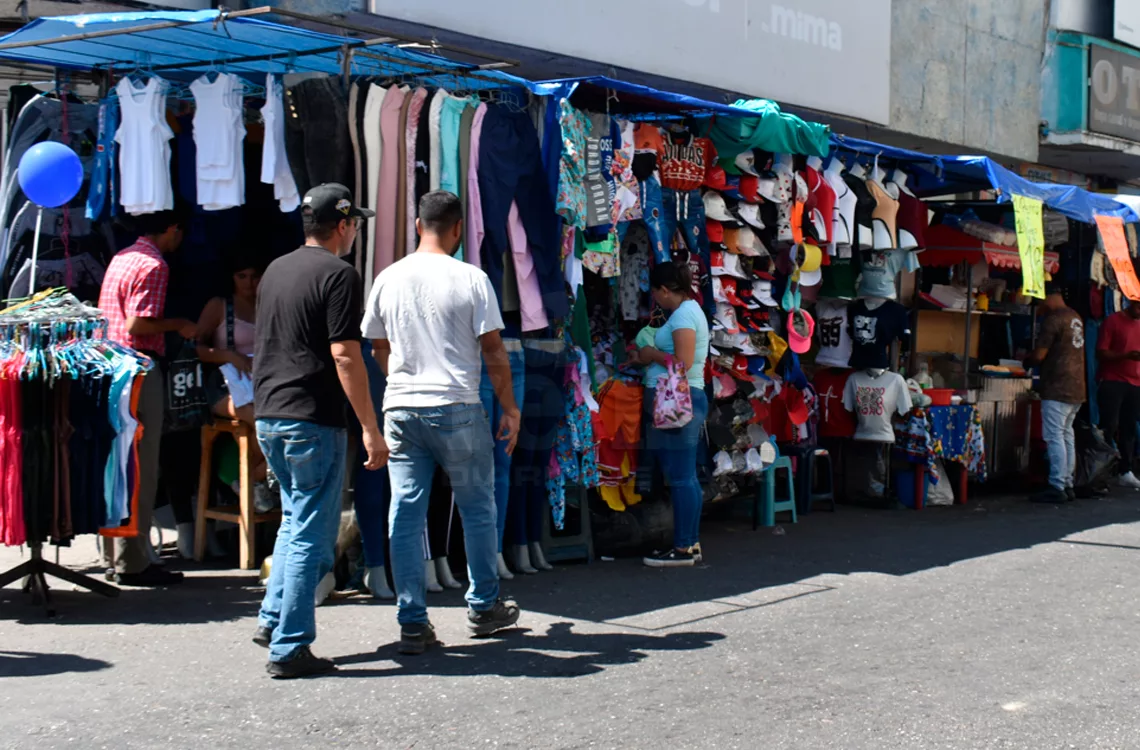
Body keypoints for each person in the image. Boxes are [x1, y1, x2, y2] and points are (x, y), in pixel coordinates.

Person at [362, 190, 522, 655]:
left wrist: (402, 381)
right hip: (456, 407)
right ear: (457, 230)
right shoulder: (471, 278)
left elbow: (377, 345)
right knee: (477, 508)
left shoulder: (387, 279)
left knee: (406, 513)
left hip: (401, 410)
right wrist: (509, 406)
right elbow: (493, 350)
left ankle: (412, 620)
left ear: (417, 225)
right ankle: (483, 606)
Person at [251, 183, 386, 680]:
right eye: (356, 224)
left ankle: (273, 618)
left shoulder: (275, 269)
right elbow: (346, 354)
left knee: (294, 520)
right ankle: (289, 645)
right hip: (311, 416)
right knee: (311, 529)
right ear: (344, 225)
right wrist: (370, 427)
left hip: (271, 412)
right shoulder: (339, 275)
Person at [98, 208, 198, 587]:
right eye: (180, 232)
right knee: (141, 464)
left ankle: (114, 554)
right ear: (172, 229)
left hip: (110, 368)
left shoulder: (123, 257)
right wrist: (179, 324)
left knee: (119, 466)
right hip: (138, 369)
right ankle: (133, 561)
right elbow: (138, 323)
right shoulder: (154, 265)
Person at [636, 261, 711, 567]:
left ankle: (682, 547)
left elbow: (683, 361)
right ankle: (689, 543)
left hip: (678, 398)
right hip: (683, 397)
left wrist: (650, 354)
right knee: (685, 477)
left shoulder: (683, 315)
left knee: (680, 478)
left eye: (656, 293)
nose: (656, 299)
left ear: (664, 290)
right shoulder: (688, 312)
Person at [194, 254, 273, 509]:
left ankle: (248, 480)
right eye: (242, 277)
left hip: (260, 382)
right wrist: (228, 355)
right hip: (223, 384)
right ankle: (253, 480)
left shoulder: (268, 303)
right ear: (231, 277)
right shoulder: (220, 305)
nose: (249, 283)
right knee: (263, 422)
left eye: (254, 276)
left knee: (280, 424)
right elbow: (195, 347)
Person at [1024, 285, 1086, 503]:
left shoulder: (1053, 319)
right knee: (1067, 434)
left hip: (1057, 386)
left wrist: (1027, 361)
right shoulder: (1074, 316)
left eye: (1039, 300)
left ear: (1047, 297)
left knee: (1054, 436)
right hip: (1076, 386)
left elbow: (1039, 355)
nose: (1039, 306)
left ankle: (1057, 484)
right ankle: (1067, 483)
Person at [1096, 302, 1140, 488]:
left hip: (1136, 382)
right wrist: (1125, 356)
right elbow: (1101, 353)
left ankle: (1125, 469)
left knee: (1129, 427)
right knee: (1108, 425)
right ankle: (1101, 470)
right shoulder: (1113, 321)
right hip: (1113, 380)